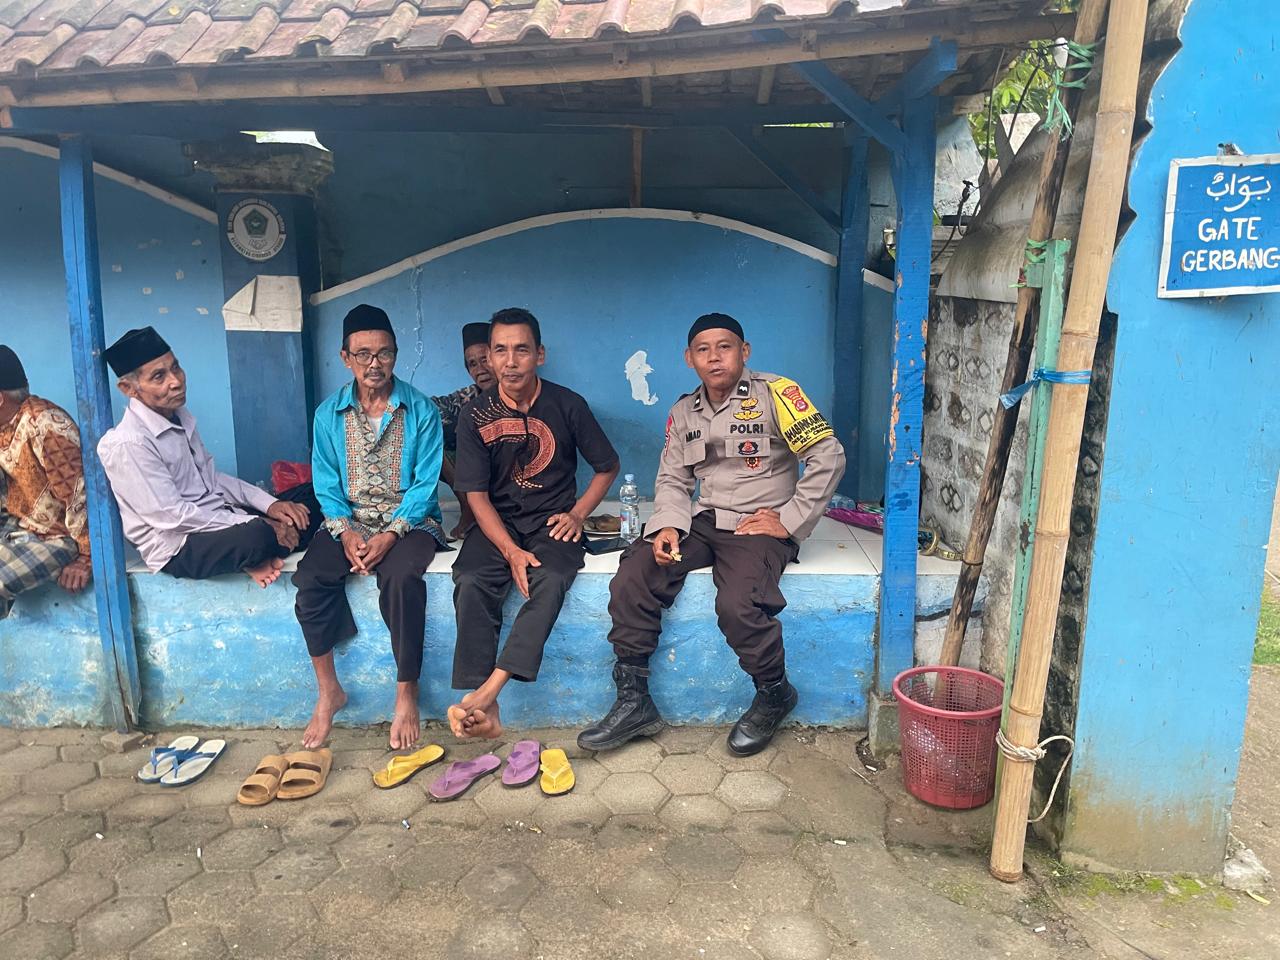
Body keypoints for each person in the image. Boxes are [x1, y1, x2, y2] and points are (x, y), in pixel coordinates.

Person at [578, 313, 846, 757]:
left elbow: (828, 456)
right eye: (703, 349)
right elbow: (673, 478)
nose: (714, 357)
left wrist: (789, 519)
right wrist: (667, 525)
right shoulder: (684, 411)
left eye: (725, 346)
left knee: (739, 603)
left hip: (759, 524)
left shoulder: (778, 394)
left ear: (745, 351)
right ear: (689, 358)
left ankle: (774, 693)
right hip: (705, 520)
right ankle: (633, 701)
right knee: (635, 571)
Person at [448, 307, 619, 739]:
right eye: (501, 351)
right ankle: (486, 710)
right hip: (497, 524)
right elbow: (476, 495)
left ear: (539, 355)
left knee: (553, 577)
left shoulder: (567, 405)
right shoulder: (475, 415)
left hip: (552, 522)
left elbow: (607, 466)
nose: (511, 362)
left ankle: (488, 693)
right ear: (489, 356)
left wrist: (578, 514)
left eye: (521, 350)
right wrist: (510, 551)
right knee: (470, 578)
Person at [293, 304, 447, 751]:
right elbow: (325, 482)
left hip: (412, 522)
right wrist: (345, 533)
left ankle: (406, 691)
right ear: (345, 358)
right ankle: (329, 692)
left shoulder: (421, 410)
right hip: (350, 520)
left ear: (396, 355)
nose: (374, 364)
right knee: (311, 578)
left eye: (384, 353)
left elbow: (425, 484)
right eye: (363, 354)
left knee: (400, 578)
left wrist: (392, 533)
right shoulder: (328, 414)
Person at [98, 326, 319, 587]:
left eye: (176, 367)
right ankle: (259, 550)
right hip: (179, 545)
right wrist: (258, 522)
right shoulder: (129, 443)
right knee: (258, 535)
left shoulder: (179, 417)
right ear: (129, 388)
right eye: (159, 377)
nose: (176, 381)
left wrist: (270, 506)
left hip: (219, 517)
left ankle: (259, 554)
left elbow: (213, 480)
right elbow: (172, 516)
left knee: (311, 497)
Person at [0, 346, 93, 618]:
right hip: (17, 526)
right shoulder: (5, 423)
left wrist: (87, 557)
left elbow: (80, 495)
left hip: (57, 537)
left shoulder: (46, 425)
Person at [431, 321, 496, 540]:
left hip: (510, 481)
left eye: (485, 360)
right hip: (474, 480)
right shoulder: (468, 397)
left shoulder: (518, 394)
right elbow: (428, 406)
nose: (480, 370)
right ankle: (468, 508)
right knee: (431, 435)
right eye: (472, 364)